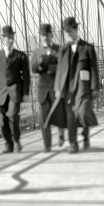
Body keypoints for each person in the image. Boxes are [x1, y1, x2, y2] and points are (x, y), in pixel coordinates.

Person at [52, 17, 100, 154]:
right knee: (71, 118)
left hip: (83, 88)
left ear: (76, 30)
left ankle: (85, 134)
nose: (68, 34)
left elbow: (93, 69)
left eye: (70, 31)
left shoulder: (87, 48)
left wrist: (95, 87)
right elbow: (60, 71)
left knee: (83, 113)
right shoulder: (63, 50)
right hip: (68, 89)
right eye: (66, 32)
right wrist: (57, 88)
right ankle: (73, 144)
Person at [0, 26, 30, 153]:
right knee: (3, 121)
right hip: (1, 93)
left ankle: (16, 141)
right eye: (7, 37)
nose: (10, 40)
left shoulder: (21, 56)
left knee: (12, 117)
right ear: (3, 38)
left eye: (12, 37)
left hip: (15, 92)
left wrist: (25, 93)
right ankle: (9, 144)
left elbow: (26, 76)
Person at [31, 23, 66, 152]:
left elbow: (64, 66)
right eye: (42, 35)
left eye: (46, 35)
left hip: (57, 88)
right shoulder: (37, 52)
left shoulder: (60, 49)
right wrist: (40, 66)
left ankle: (61, 133)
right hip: (43, 90)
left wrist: (51, 68)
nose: (44, 37)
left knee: (59, 115)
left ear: (52, 35)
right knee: (43, 119)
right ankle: (47, 145)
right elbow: (33, 68)